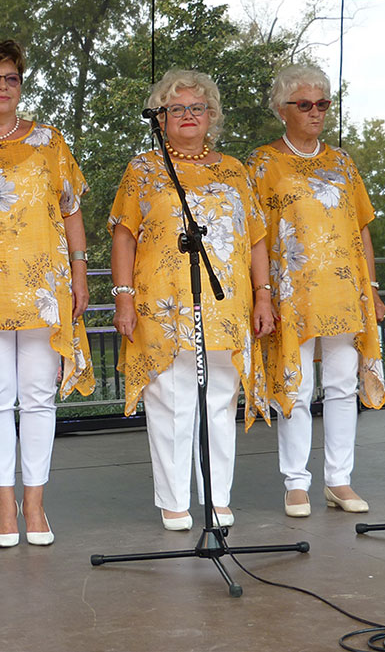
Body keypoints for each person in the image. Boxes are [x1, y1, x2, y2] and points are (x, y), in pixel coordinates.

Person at [0, 38, 94, 548]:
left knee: (38, 399)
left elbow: (71, 209)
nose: (2, 87)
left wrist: (78, 272)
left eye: (11, 78)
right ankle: (4, 508)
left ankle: (35, 505)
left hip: (42, 289)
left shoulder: (50, 141)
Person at [110, 68, 275, 531]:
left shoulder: (234, 170)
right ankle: (174, 500)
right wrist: (123, 298)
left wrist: (263, 297)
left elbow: (256, 238)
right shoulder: (143, 168)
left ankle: (218, 496)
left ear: (211, 116)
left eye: (197, 108)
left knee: (220, 402)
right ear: (160, 118)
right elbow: (124, 236)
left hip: (225, 301)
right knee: (171, 402)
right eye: (176, 108)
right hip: (162, 302)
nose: (187, 115)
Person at [247, 65, 385, 518]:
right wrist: (262, 293)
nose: (316, 112)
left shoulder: (343, 162)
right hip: (292, 292)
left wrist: (374, 287)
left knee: (343, 385)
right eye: (304, 104)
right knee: (298, 385)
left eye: (322, 104)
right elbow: (256, 235)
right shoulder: (263, 162)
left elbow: (361, 227)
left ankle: (339, 480)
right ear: (282, 110)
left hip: (346, 290)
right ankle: (296, 482)